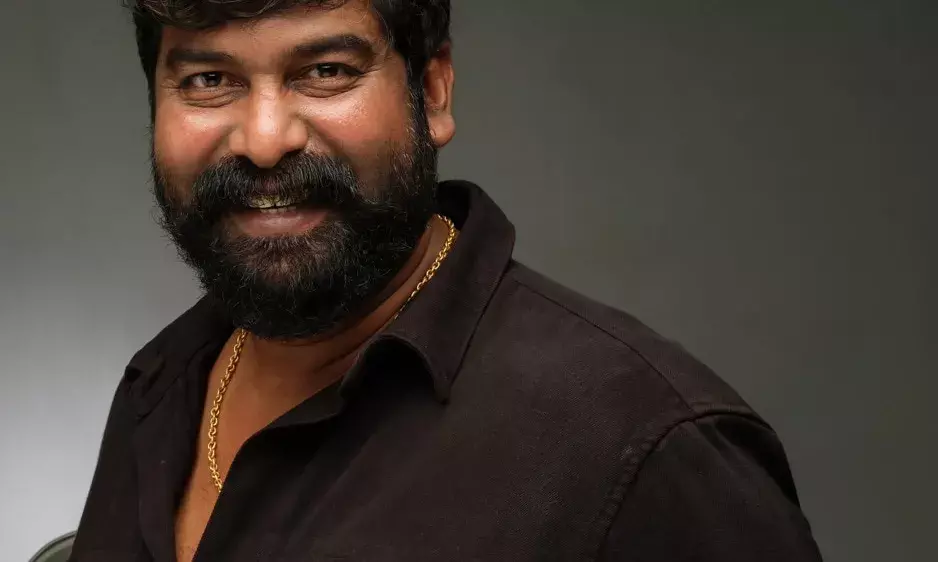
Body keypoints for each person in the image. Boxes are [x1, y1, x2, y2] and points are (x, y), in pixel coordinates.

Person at [70, 1, 823, 561]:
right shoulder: (158, 388)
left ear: (431, 92)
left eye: (326, 71)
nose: (265, 141)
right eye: (209, 80)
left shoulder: (644, 448)